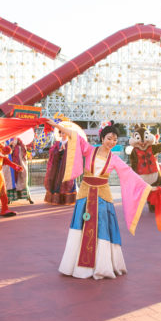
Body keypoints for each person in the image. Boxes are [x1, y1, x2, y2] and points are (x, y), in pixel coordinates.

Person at [48, 119, 151, 280]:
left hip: (103, 198)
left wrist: (149, 188)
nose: (112, 142)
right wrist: (56, 126)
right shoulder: (89, 150)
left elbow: (131, 175)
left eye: (115, 139)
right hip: (85, 195)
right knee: (80, 227)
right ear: (102, 138)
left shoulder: (115, 159)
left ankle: (102, 267)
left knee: (102, 228)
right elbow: (74, 136)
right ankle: (77, 266)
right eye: (109, 138)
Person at [44, 130, 77, 205]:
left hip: (67, 165)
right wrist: (59, 151)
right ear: (59, 134)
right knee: (57, 180)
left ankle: (67, 200)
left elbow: (73, 153)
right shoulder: (57, 143)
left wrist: (66, 151)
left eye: (64, 132)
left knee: (67, 181)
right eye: (61, 133)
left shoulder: (70, 143)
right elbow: (52, 151)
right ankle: (58, 199)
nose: (63, 134)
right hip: (59, 165)